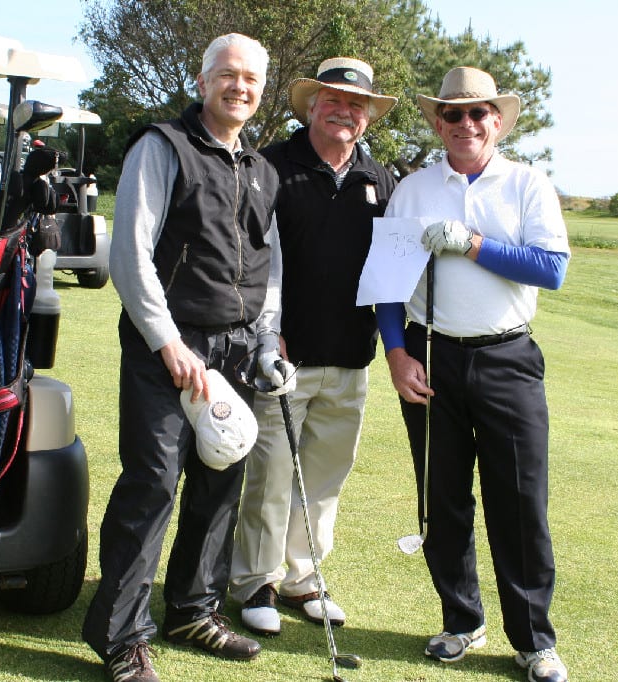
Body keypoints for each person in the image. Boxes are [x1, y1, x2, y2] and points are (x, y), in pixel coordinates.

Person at [81, 33, 292, 682]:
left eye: (251, 79)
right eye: (227, 75)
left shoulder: (261, 169)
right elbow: (129, 255)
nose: (240, 87)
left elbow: (268, 268)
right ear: (202, 82)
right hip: (166, 349)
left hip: (234, 353)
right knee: (151, 485)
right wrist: (167, 342)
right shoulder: (161, 146)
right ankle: (120, 639)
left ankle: (193, 609)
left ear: (261, 90)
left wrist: (266, 339)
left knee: (219, 482)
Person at [375, 66, 571, 682]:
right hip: (429, 355)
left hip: (507, 358)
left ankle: (533, 639)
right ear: (438, 123)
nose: (466, 124)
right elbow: (387, 283)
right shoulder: (412, 190)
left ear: (497, 120)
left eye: (478, 113)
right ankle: (462, 620)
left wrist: (473, 243)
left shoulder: (527, 185)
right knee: (444, 499)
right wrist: (396, 353)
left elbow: (552, 269)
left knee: (518, 503)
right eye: (453, 115)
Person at [230, 57, 398, 636]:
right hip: (283, 355)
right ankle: (257, 581)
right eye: (333, 100)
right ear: (311, 106)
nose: (345, 111)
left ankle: (305, 577)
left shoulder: (380, 177)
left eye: (357, 104)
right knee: (272, 475)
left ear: (369, 115)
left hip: (352, 356)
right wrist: (262, 333)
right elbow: (253, 259)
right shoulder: (272, 166)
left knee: (324, 479)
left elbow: (392, 270)